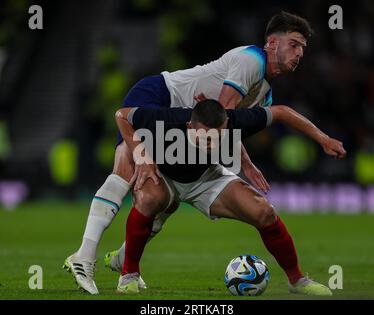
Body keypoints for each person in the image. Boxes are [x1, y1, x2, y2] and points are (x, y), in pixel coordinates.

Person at [63, 11, 315, 294]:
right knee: (129, 165)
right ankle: (84, 256)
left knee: (165, 197)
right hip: (162, 95)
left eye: (303, 48)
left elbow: (223, 122)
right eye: (294, 44)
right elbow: (220, 112)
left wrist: (247, 163)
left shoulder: (263, 92)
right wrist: (143, 156)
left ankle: (123, 259)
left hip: (190, 125)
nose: (299, 53)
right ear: (272, 42)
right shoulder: (251, 60)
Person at [113, 99, 346, 295]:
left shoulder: (237, 121)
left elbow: (282, 112)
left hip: (206, 177)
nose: (211, 144)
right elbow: (122, 115)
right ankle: (128, 275)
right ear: (189, 126)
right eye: (205, 138)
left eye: (218, 137)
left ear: (226, 125)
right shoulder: (167, 118)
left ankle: (297, 281)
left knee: (263, 211)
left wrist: (323, 139)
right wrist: (141, 155)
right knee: (148, 199)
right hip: (164, 176)